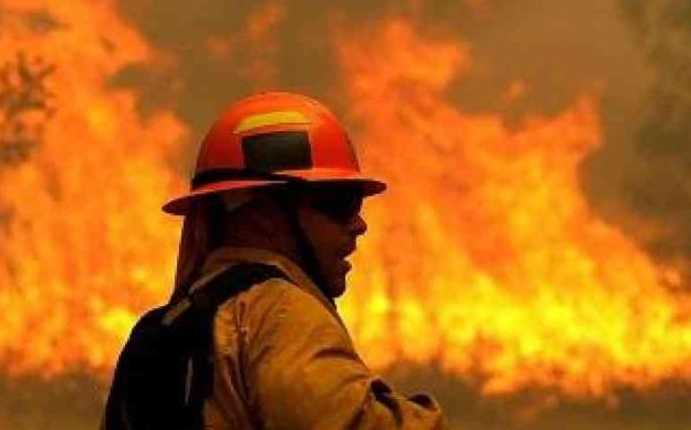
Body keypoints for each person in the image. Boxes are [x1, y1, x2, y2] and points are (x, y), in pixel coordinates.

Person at [103, 91, 448, 429]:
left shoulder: (160, 331)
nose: (359, 225)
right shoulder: (280, 314)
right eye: (339, 202)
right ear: (265, 214)